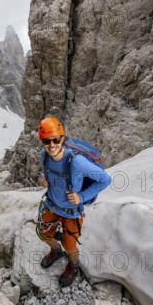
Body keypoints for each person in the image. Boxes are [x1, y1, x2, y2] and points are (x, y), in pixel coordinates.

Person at [37, 117, 112, 287]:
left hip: (72, 212)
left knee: (69, 245)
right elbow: (48, 174)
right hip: (51, 204)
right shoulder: (45, 156)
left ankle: (73, 265)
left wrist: (82, 197)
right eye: (47, 141)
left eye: (56, 140)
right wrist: (45, 182)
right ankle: (55, 252)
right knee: (43, 233)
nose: (51, 145)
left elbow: (105, 180)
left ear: (62, 139)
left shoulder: (77, 162)